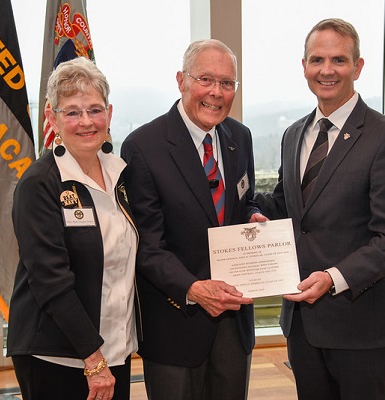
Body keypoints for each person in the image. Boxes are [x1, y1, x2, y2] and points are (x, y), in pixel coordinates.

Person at [254, 19, 385, 399]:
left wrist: (332, 277)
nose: (326, 70)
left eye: (338, 60)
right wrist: (245, 207)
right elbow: (288, 204)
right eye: (317, 60)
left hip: (363, 324)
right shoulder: (294, 133)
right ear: (304, 66)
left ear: (357, 67)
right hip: (301, 323)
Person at [120, 39, 260, 400]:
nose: (216, 92)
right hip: (175, 323)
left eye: (227, 83)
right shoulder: (143, 147)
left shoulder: (239, 138)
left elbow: (241, 204)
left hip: (233, 322)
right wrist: (194, 289)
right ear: (181, 80)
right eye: (206, 80)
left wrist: (254, 216)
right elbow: (147, 245)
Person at [7, 57, 138, 400]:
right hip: (58, 354)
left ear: (109, 114)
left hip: (114, 348)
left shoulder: (119, 174)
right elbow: (51, 282)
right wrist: (93, 361)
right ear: (52, 118)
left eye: (94, 110)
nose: (86, 122)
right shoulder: (39, 184)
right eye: (73, 112)